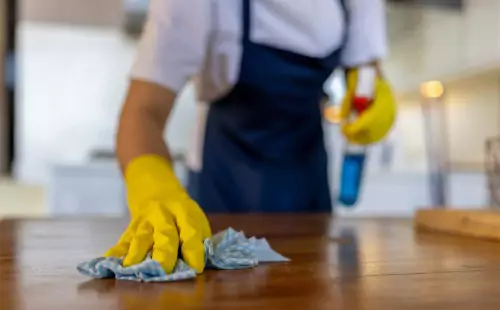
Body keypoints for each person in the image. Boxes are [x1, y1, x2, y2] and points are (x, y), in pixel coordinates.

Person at [104, 0, 396, 274]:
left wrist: (372, 94)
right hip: (224, 176)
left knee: (313, 295)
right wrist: (154, 188)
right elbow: (143, 113)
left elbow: (366, 68)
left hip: (308, 175)